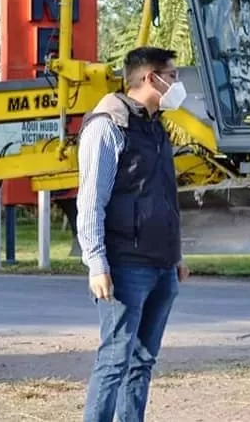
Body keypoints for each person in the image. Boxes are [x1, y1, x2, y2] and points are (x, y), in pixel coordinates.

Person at [76, 46, 191, 422]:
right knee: (114, 360)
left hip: (160, 265)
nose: (176, 83)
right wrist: (96, 263)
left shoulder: (155, 126)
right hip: (125, 266)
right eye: (171, 76)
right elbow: (92, 199)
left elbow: (164, 196)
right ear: (149, 78)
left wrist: (176, 256)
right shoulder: (108, 126)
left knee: (142, 362)